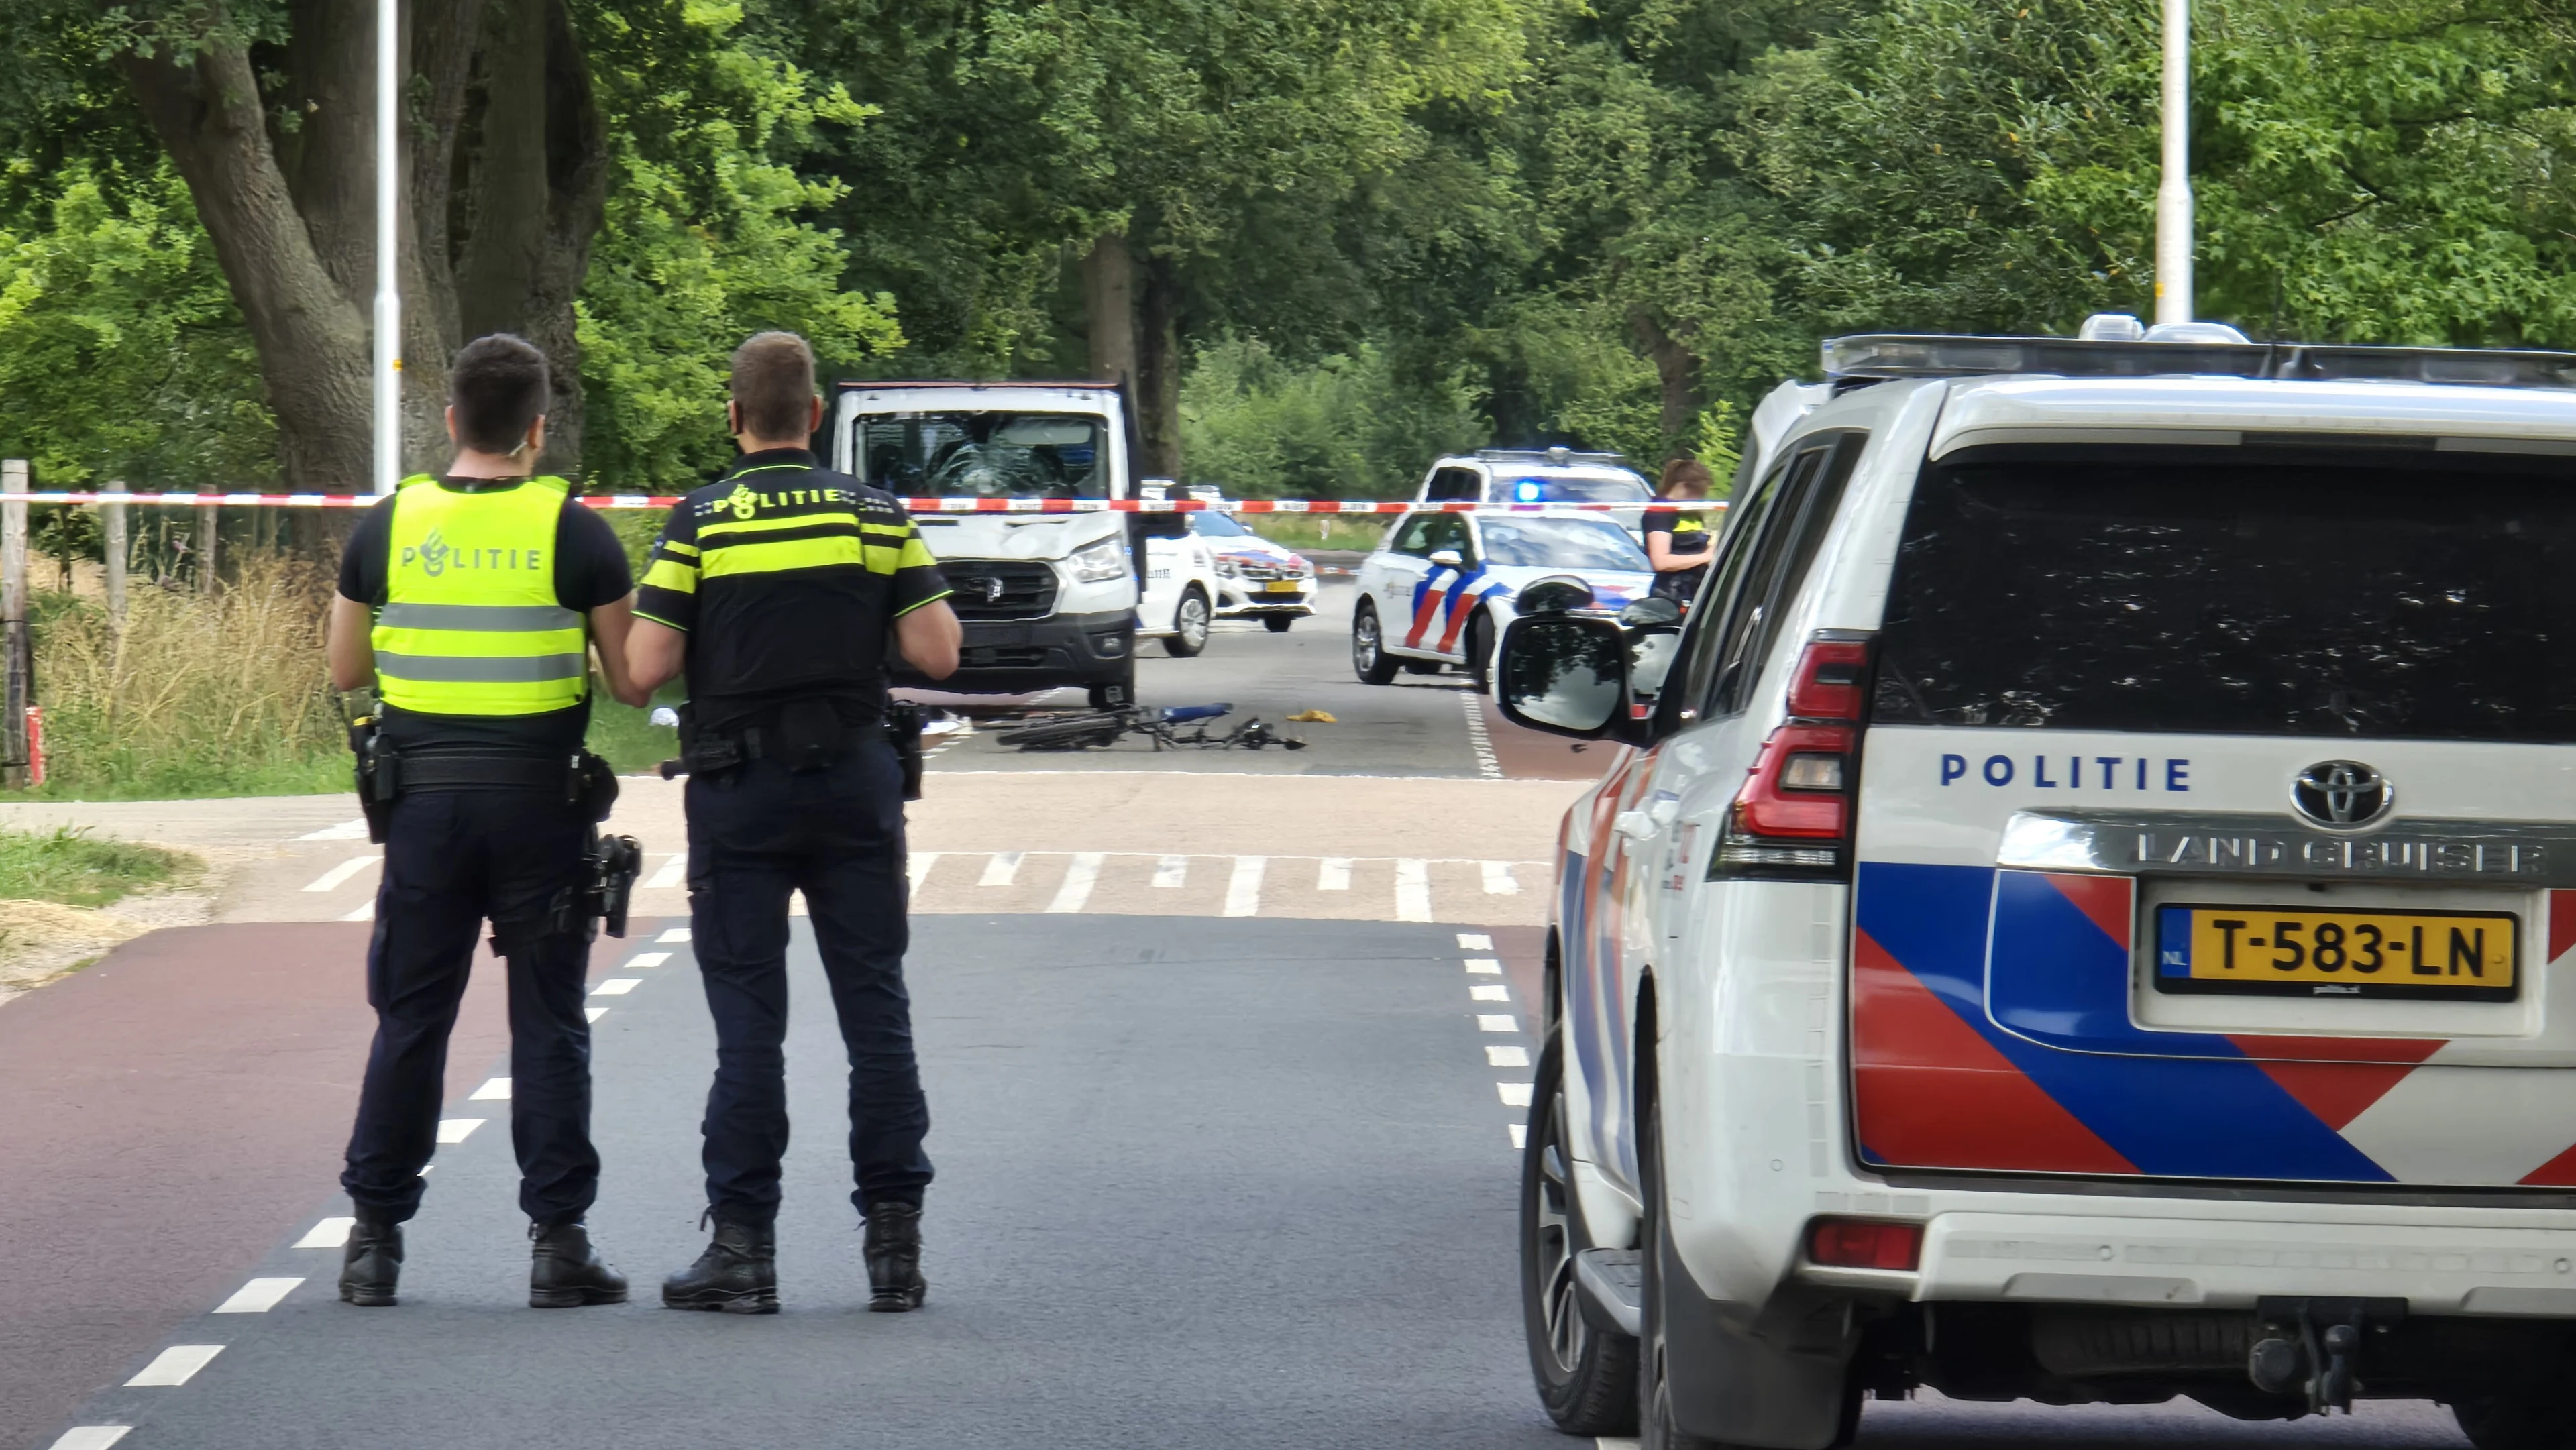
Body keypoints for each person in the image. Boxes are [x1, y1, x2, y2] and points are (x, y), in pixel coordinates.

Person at [626, 331, 963, 1315]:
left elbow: (644, 667)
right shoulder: (874, 513)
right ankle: (894, 1251)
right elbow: (937, 652)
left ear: (734, 419)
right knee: (876, 1013)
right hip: (857, 785)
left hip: (741, 794)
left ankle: (742, 1251)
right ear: (815, 417)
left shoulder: (700, 524)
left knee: (749, 1032)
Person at [325, 333, 648, 1308]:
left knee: (412, 1018)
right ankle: (559, 1245)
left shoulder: (387, 527)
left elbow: (345, 670)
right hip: (540, 811)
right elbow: (632, 679)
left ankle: (374, 1241)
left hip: (423, 809)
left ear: (454, 420)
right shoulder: (574, 532)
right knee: (549, 1021)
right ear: (537, 430)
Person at [1641, 457, 1716, 603]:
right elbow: (1661, 561)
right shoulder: (1660, 511)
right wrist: (1706, 557)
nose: (1701, 498)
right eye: (1700, 492)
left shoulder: (1689, 512)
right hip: (1671, 596)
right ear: (1685, 486)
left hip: (1693, 592)